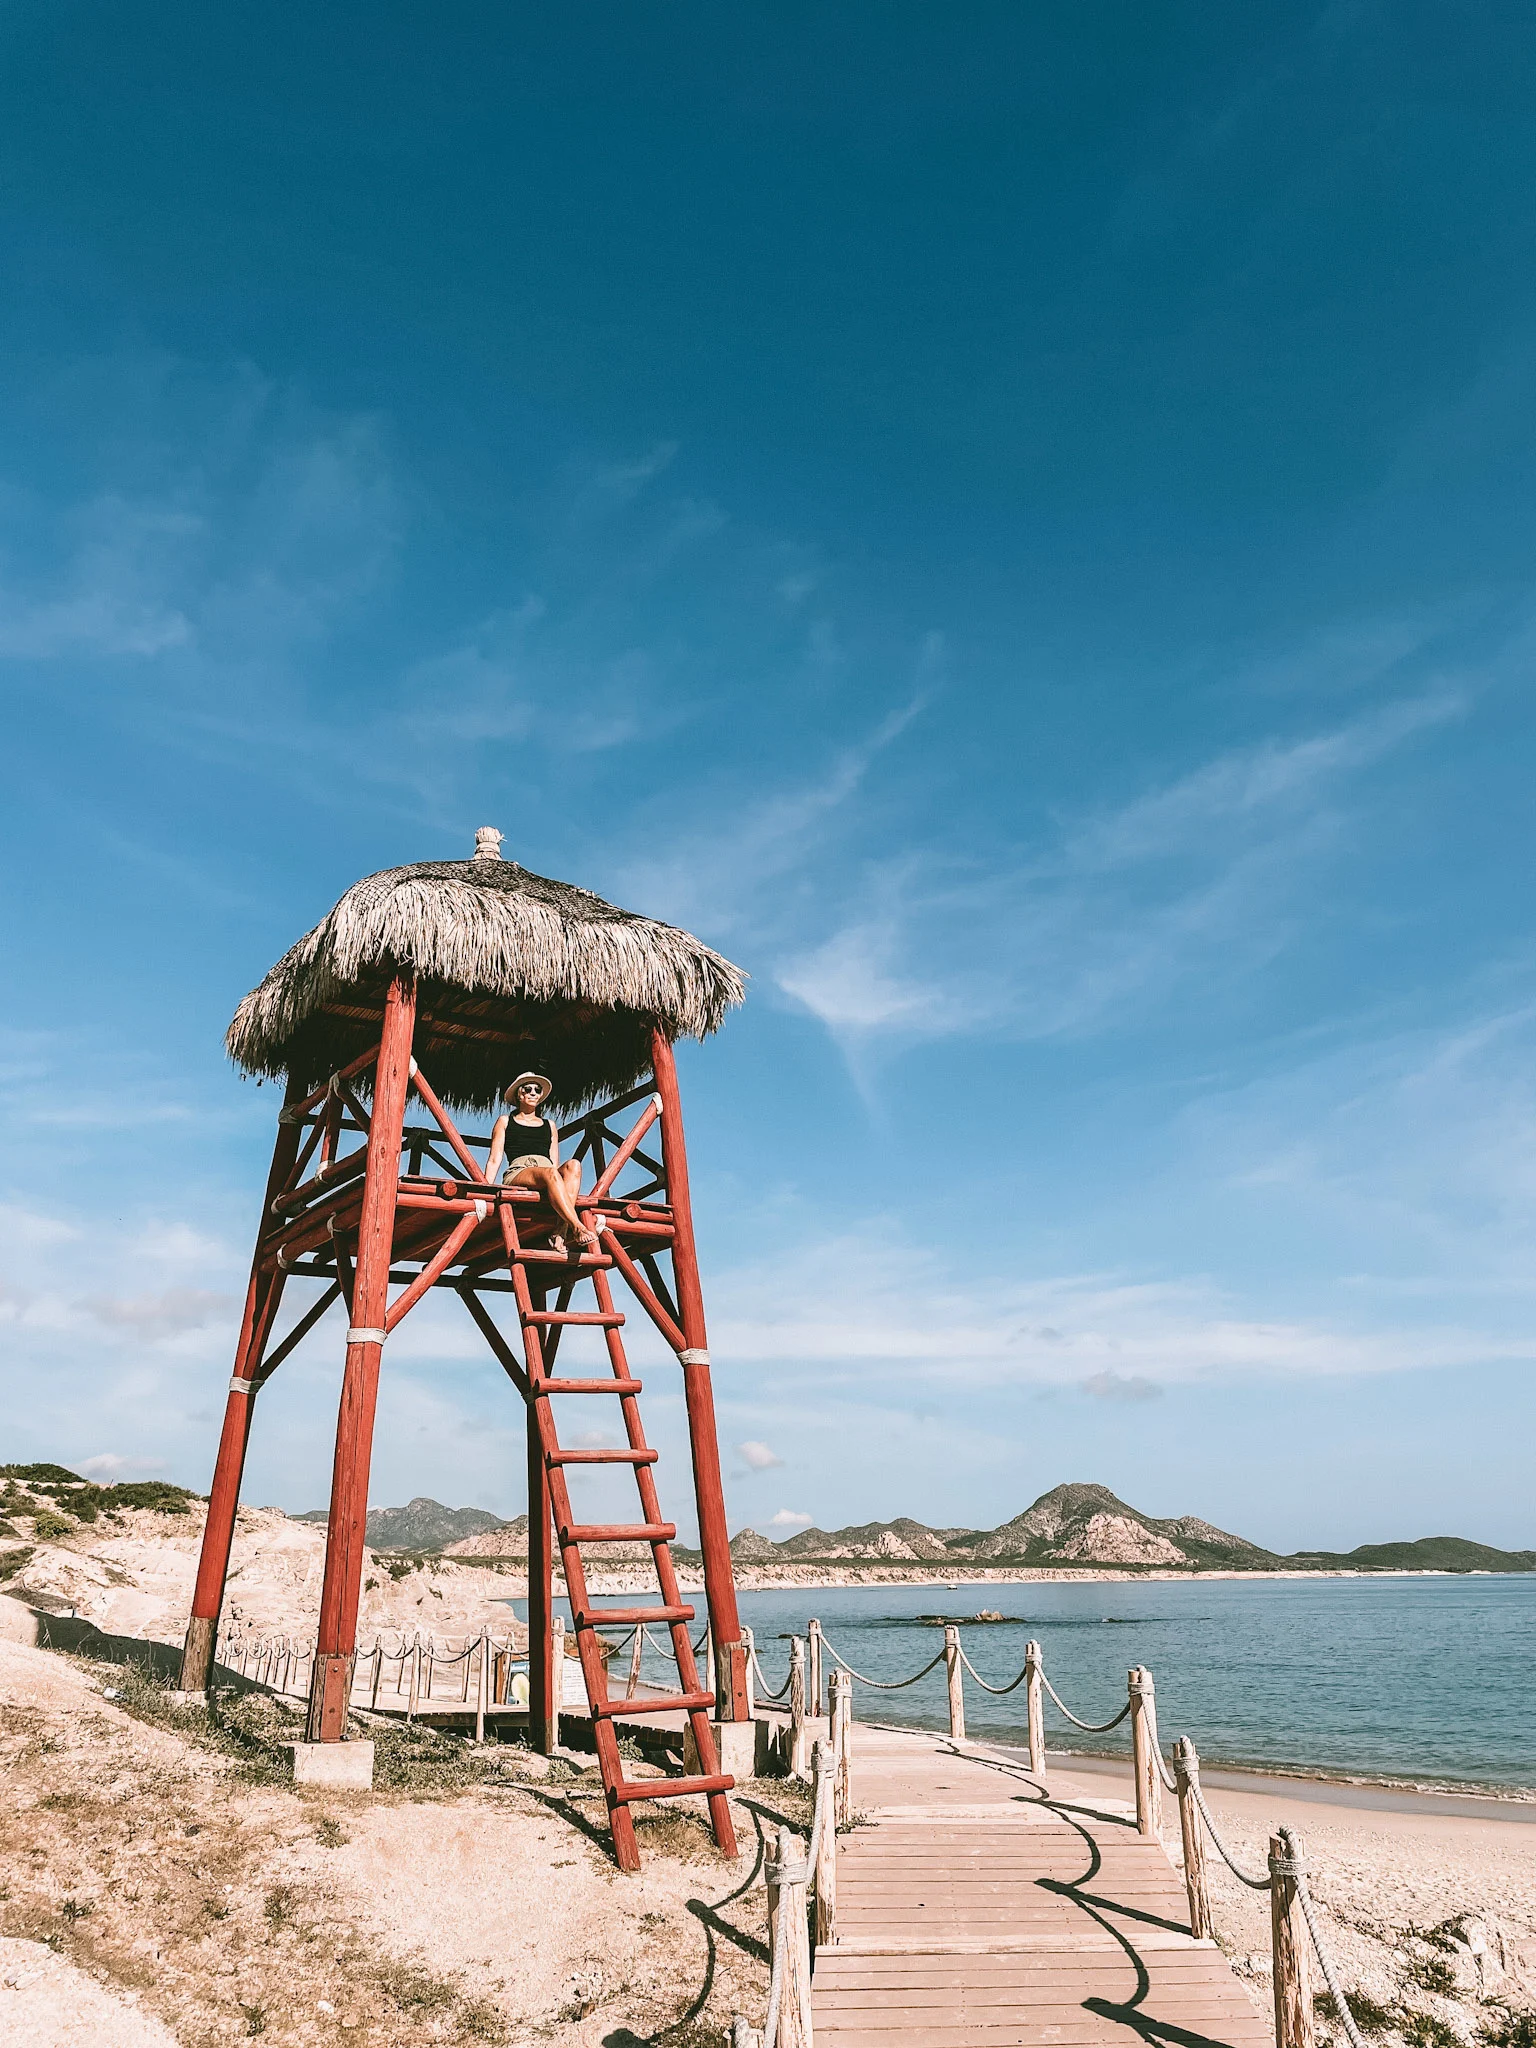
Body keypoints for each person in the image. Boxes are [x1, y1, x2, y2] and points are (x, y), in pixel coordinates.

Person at [485, 1072, 596, 1255]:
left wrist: (555, 1179)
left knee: (573, 1164)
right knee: (550, 1173)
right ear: (519, 1094)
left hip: (546, 1171)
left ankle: (560, 1231)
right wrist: (484, 1191)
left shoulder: (549, 1124)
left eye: (538, 1090)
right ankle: (576, 1226)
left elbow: (554, 1162)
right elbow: (494, 1158)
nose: (533, 1093)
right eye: (528, 1089)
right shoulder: (505, 1121)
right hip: (520, 1170)